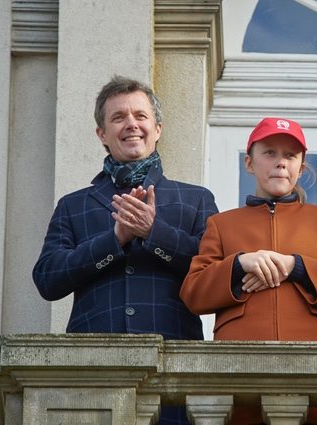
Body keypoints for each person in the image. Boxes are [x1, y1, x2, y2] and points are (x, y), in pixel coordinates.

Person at [32, 76, 218, 425]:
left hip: (174, 373)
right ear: (101, 134)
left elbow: (217, 273)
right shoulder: (73, 205)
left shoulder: (196, 198)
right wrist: (113, 241)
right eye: (118, 118)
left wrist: (154, 233)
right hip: (92, 373)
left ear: (158, 128)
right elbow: (47, 278)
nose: (131, 124)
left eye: (140, 116)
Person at [180, 117, 317, 424]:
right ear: (249, 163)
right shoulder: (222, 224)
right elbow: (193, 293)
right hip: (238, 374)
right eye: (269, 153)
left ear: (301, 166)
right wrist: (240, 264)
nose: (281, 163)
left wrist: (295, 266)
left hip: (312, 372)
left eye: (290, 156)